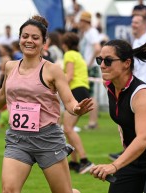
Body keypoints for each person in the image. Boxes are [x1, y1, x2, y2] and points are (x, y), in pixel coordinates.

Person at [0, 15, 93, 193]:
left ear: (44, 42)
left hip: (47, 139)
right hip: (17, 139)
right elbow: (2, 94)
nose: (29, 40)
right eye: (25, 36)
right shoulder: (10, 66)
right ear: (20, 38)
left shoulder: (52, 70)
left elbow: (68, 100)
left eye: (35, 37)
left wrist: (76, 109)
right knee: (9, 190)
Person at [89, 38, 146, 193]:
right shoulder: (110, 86)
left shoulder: (141, 94)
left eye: (108, 61)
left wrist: (114, 165)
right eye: (100, 60)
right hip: (135, 157)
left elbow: (144, 139)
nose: (102, 65)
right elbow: (123, 117)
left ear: (126, 63)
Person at [109, 13, 146, 160]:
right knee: (129, 123)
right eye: (133, 22)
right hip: (133, 87)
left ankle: (143, 153)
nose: (134, 25)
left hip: (144, 88)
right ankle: (130, 151)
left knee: (144, 126)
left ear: (145, 24)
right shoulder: (136, 40)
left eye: (137, 22)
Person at [61, 32, 95, 174]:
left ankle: (85, 160)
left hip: (76, 91)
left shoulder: (69, 55)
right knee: (67, 128)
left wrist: (55, 86)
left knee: (67, 128)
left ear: (65, 45)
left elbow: (68, 76)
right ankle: (74, 162)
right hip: (82, 90)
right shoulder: (79, 55)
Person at [78, 11, 101, 129]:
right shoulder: (86, 33)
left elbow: (97, 49)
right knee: (89, 94)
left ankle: (93, 122)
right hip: (88, 66)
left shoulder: (92, 32)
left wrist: (89, 63)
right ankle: (93, 122)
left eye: (80, 21)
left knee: (91, 95)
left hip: (90, 67)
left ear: (84, 21)